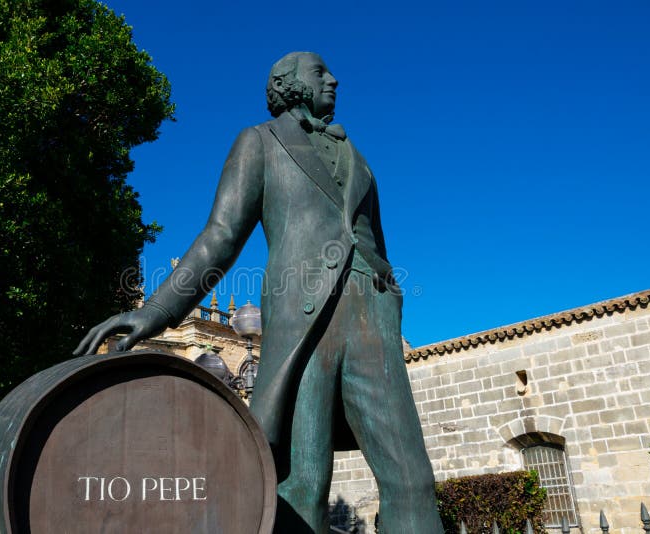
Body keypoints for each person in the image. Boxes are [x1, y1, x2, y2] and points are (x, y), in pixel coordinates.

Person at [75, 51, 443, 533]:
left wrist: (389, 297)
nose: (334, 79)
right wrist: (157, 310)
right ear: (287, 84)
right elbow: (220, 236)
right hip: (302, 322)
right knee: (301, 484)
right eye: (320, 72)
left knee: (412, 480)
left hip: (371, 318)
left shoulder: (358, 158)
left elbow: (376, 243)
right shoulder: (258, 142)